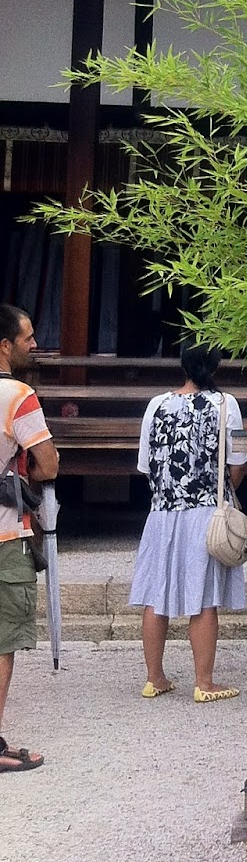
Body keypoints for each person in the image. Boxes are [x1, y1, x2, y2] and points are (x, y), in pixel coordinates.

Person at [129, 344, 247, 702]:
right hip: (205, 511)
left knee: (156, 595)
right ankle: (204, 683)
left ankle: (155, 678)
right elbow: (238, 463)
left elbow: (146, 465)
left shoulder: (156, 404)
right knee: (204, 597)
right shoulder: (225, 404)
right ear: (215, 367)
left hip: (162, 511)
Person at [0, 304, 58, 774]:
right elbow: (49, 463)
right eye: (27, 338)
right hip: (4, 533)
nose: (34, 345)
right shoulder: (18, 395)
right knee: (2, 641)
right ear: (5, 346)